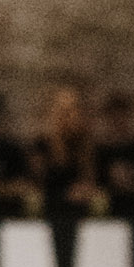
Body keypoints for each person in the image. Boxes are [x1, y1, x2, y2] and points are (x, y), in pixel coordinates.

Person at [28, 85, 98, 216]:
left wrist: (86, 189)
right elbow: (35, 185)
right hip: (50, 213)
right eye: (65, 111)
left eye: (75, 109)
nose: (72, 116)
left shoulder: (86, 145)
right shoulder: (42, 146)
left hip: (81, 214)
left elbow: (92, 181)